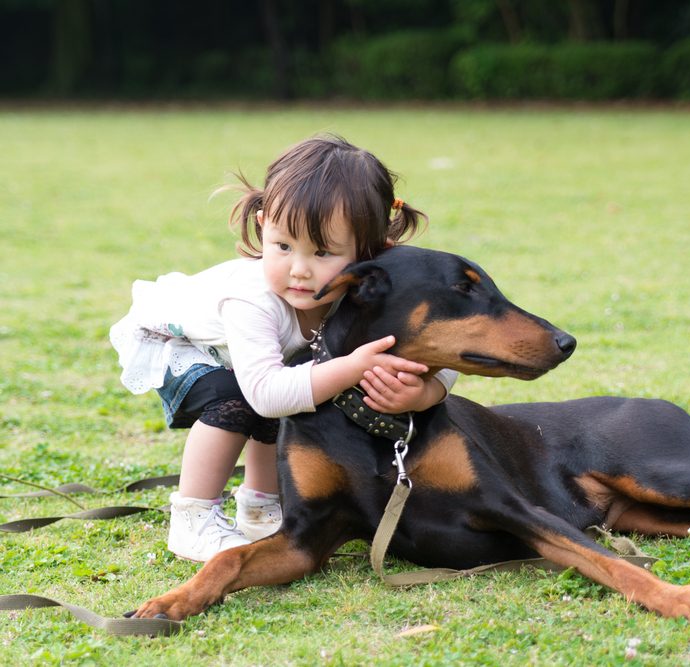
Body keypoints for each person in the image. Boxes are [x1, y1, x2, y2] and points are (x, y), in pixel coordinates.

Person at [110, 135, 456, 561]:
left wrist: (426, 391)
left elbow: (436, 351)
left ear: (371, 252)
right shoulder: (252, 299)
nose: (299, 270)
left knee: (297, 385)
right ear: (262, 224)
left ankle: (261, 507)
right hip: (179, 344)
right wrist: (351, 367)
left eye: (323, 252)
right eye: (283, 246)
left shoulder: (369, 286)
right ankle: (194, 518)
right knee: (235, 397)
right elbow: (267, 395)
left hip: (254, 363)